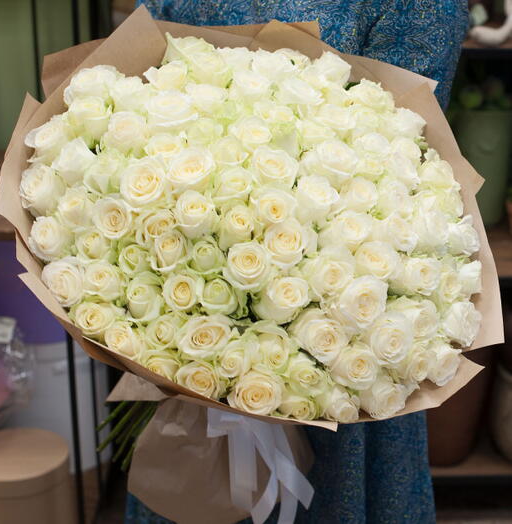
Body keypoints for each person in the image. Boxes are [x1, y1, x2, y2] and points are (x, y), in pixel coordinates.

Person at [125, 2, 469, 523]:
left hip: (344, 337)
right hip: (181, 327)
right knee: (189, 486)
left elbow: (401, 135)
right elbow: (139, 82)